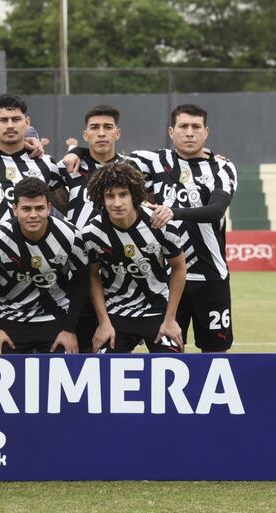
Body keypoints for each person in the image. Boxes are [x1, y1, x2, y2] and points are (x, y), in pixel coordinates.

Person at [129, 104, 238, 352]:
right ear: (171, 131)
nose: (189, 133)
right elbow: (107, 160)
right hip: (166, 280)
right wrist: (77, 151)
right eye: (183, 126)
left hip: (211, 277)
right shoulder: (153, 161)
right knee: (168, 355)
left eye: (196, 127)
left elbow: (216, 211)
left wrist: (172, 211)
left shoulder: (222, 168)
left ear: (206, 132)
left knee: (215, 354)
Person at [0, 177, 88, 354]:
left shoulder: (70, 236)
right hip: (9, 316)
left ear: (49, 208)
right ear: (14, 209)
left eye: (39, 208)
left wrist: (69, 329)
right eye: (26, 208)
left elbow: (82, 279)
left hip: (55, 316)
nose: (33, 215)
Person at [83, 161, 186, 353]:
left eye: (123, 195)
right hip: (116, 313)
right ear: (100, 198)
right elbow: (93, 276)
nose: (117, 203)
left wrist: (170, 319)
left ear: (135, 195)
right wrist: (104, 322)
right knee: (102, 374)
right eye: (109, 196)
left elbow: (179, 267)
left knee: (174, 368)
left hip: (158, 310)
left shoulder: (161, 224)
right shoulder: (92, 233)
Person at [61, 105, 125, 352]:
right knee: (72, 347)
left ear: (117, 133)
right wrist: (75, 151)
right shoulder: (68, 167)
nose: (101, 133)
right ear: (85, 134)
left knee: (111, 348)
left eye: (107, 128)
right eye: (94, 128)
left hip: (116, 273)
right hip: (74, 269)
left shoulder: (131, 169)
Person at [0, 93, 68, 228]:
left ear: (27, 123)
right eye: (3, 120)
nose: (10, 125)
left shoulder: (46, 164)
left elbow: (70, 211)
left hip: (32, 248)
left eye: (16, 119)